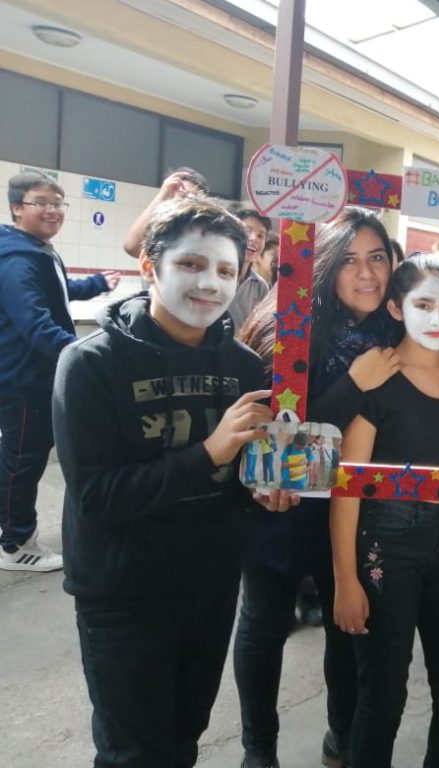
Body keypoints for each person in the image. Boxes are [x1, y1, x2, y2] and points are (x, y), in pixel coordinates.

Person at [52, 196, 297, 767]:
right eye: (191, 264)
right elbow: (97, 498)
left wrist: (262, 491)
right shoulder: (90, 363)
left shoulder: (242, 367)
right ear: (149, 266)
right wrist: (208, 452)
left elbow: (237, 480)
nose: (209, 283)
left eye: (226, 270)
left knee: (185, 737)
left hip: (210, 583)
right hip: (124, 591)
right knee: (134, 752)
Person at [234, 208, 402, 768]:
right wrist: (356, 383)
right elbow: (279, 438)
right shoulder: (289, 326)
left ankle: (342, 738)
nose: (367, 273)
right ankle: (259, 749)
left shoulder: (396, 330)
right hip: (281, 506)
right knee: (263, 628)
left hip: (352, 512)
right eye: (350, 260)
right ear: (324, 265)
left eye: (377, 258)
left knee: (346, 628)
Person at [330, 254, 439, 767]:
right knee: (382, 700)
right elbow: (346, 486)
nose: (438, 318)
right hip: (384, 548)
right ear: (396, 308)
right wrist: (345, 580)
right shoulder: (377, 377)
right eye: (423, 305)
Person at [0, 171, 119, 572]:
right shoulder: (17, 260)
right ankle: (15, 544)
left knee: (18, 456)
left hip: (30, 376)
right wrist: (86, 356)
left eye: (57, 203)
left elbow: (58, 291)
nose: (52, 211)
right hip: (24, 380)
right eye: (41, 203)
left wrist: (97, 283)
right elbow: (37, 325)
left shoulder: (34, 249)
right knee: (22, 460)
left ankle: (10, 527)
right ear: (17, 208)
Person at [123, 167, 208, 258]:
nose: (188, 201)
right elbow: (132, 248)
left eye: (195, 199)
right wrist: (161, 196)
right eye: (183, 195)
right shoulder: (164, 229)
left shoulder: (206, 230)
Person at [226, 205, 271, 336]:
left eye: (260, 235)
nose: (254, 238)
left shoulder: (261, 287)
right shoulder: (214, 276)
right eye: (247, 230)